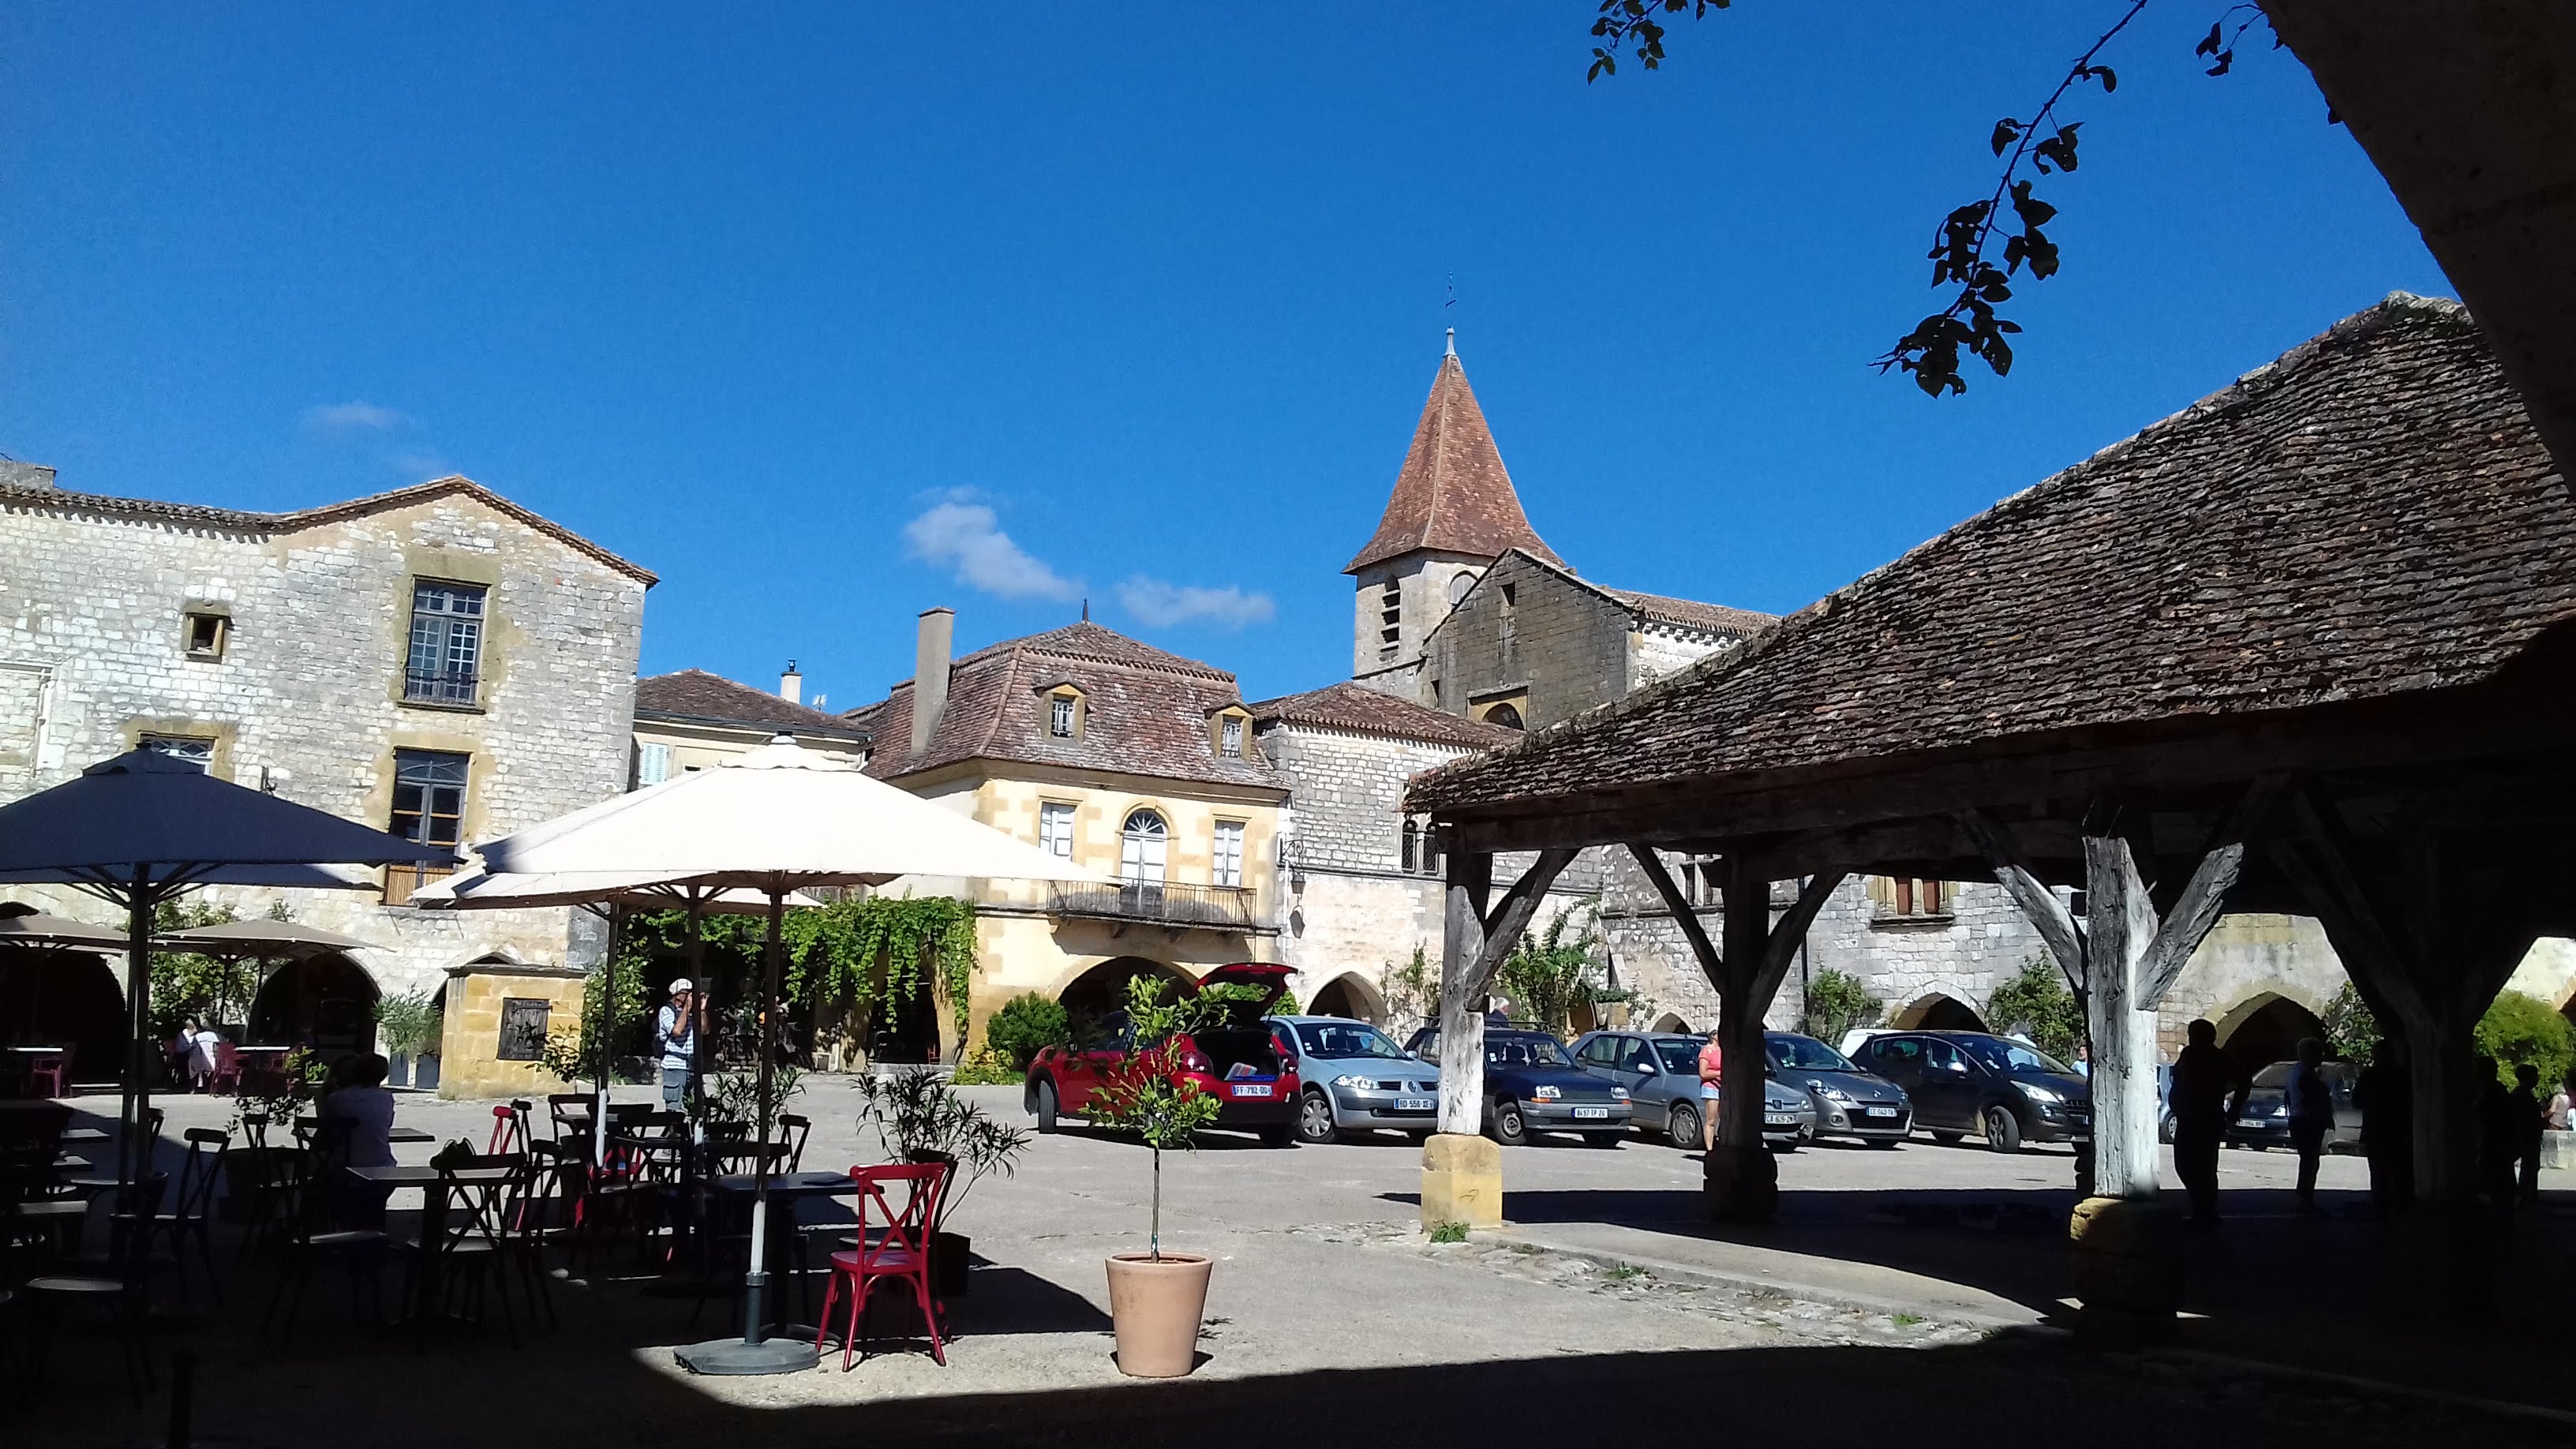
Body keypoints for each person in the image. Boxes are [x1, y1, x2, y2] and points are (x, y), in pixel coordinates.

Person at [2168, 1019, 2247, 1226]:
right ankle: (2201, 1208)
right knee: (2184, 1164)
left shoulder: (2218, 1059)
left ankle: (2206, 1212)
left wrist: (2235, 1108)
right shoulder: (2188, 1054)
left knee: (2204, 1167)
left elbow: (2244, 1080)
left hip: (2207, 1117)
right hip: (2187, 1117)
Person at [321, 1053, 399, 1226]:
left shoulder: (337, 1099)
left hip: (346, 1170)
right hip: (383, 1167)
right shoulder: (386, 1098)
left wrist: (325, 1094)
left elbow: (324, 1134)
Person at [2355, 1044, 2413, 1215]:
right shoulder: (2402, 1076)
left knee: (2378, 1173)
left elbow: (2356, 1101)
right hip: (2398, 1131)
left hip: (2375, 1131)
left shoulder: (2369, 1076)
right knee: (2399, 1172)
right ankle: (2400, 1209)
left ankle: (2381, 1211)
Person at [2285, 1036, 2337, 1211]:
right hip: (2308, 1121)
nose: (2322, 1056)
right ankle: (2305, 1199)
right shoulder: (2307, 1074)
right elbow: (2315, 1097)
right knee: (2310, 1161)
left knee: (2308, 1160)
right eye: (2319, 1052)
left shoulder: (2296, 1070)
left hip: (2298, 1119)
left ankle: (2304, 1197)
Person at [657, 978, 705, 1110]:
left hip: (693, 1066)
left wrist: (701, 1010)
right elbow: (677, 1031)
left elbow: (705, 1030)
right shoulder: (666, 1011)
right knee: (675, 1108)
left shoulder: (693, 1013)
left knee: (698, 1106)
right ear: (678, 995)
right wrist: (687, 1008)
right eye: (688, 994)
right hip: (674, 1066)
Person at [2512, 1062, 2545, 1206]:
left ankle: (2528, 1195)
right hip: (2527, 1136)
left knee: (2530, 1166)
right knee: (2530, 1166)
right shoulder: (2523, 1096)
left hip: (2527, 1135)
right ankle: (2527, 1196)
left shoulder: (2520, 1095)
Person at [1698, 1025, 1724, 1151]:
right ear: (1713, 1036)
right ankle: (1710, 1149)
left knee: (1725, 1119)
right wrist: (1718, 1074)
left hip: (1724, 1088)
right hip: (1711, 1088)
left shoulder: (1724, 1050)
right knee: (1711, 1120)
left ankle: (1721, 1145)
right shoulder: (1706, 1051)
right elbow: (1703, 1073)